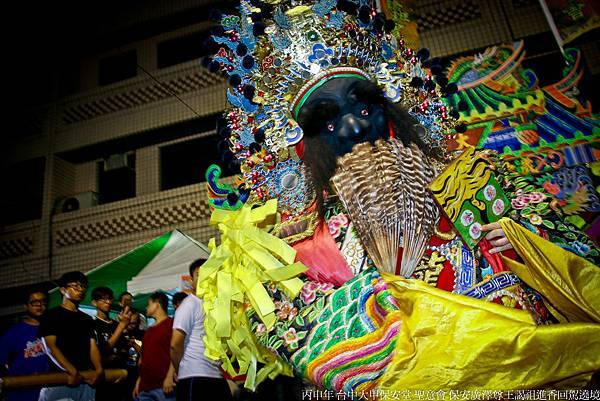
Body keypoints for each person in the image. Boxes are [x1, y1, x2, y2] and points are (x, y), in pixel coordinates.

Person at [170, 259, 232, 401]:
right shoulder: (189, 305)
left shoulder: (215, 306)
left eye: (208, 273)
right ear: (191, 280)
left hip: (216, 375)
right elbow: (175, 344)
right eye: (199, 275)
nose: (204, 278)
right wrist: (180, 369)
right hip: (195, 377)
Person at [38, 271, 102, 401]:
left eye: (83, 286)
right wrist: (71, 370)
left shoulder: (87, 319)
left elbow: (92, 346)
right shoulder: (51, 315)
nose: (80, 290)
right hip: (60, 380)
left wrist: (99, 369)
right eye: (75, 286)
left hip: (86, 380)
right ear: (63, 290)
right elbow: (50, 347)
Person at [0, 288, 49, 401]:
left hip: (49, 390)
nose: (40, 305)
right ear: (25, 306)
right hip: (21, 393)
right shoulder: (14, 332)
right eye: (35, 302)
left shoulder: (52, 329)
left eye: (43, 301)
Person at [133, 292, 175, 401]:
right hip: (145, 386)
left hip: (163, 386)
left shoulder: (171, 324)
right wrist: (139, 380)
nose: (146, 307)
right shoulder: (149, 331)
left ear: (157, 304)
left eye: (149, 304)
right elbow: (144, 357)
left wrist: (170, 376)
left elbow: (176, 352)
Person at [92, 286, 132, 401]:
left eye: (110, 299)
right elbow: (102, 350)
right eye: (103, 299)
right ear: (94, 303)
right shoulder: (93, 324)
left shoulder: (116, 324)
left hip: (120, 376)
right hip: (103, 378)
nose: (108, 302)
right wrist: (122, 326)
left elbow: (124, 349)